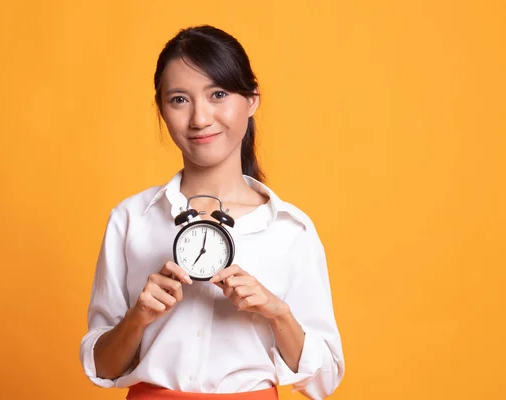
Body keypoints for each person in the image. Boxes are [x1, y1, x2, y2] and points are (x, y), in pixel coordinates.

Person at [79, 25, 345, 400]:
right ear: (161, 109)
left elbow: (324, 380)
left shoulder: (290, 230)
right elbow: (103, 369)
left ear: (251, 100)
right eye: (179, 100)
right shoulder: (131, 219)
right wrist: (138, 317)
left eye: (218, 94)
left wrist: (276, 311)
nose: (200, 119)